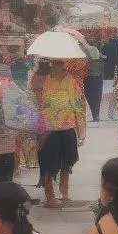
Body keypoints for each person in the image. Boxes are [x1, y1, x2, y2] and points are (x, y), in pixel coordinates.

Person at [37, 59, 86, 209]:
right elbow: (41, 103)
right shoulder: (44, 81)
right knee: (47, 165)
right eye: (54, 66)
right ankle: (50, 197)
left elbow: (78, 105)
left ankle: (64, 195)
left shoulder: (71, 81)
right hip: (49, 128)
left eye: (59, 66)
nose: (57, 69)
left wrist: (81, 129)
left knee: (66, 164)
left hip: (67, 127)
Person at [101, 32, 118, 120]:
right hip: (110, 74)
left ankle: (113, 113)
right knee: (114, 94)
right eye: (110, 32)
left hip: (115, 73)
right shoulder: (105, 45)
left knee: (116, 93)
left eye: (113, 32)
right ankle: (111, 113)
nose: (111, 34)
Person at [82, 43, 104, 124]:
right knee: (97, 96)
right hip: (97, 76)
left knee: (89, 96)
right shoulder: (97, 50)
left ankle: (95, 115)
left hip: (87, 76)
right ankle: (96, 115)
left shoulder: (82, 50)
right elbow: (102, 64)